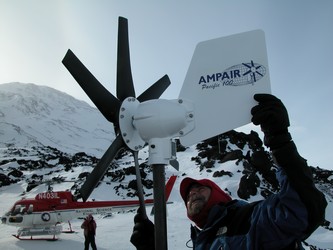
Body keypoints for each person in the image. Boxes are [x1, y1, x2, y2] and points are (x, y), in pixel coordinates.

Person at [130, 94, 327, 250]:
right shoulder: (202, 242)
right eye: (189, 195)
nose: (192, 194)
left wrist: (280, 141)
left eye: (199, 189)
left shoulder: (249, 219)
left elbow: (301, 210)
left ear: (218, 193)